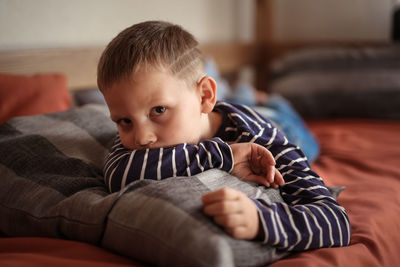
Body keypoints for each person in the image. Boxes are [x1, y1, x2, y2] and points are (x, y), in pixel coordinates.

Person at [97, 20, 350, 251]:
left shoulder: (263, 140)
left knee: (301, 136)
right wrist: (224, 156)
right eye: (124, 121)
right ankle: (241, 94)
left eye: (159, 110)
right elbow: (119, 174)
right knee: (234, 100)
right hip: (218, 109)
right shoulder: (140, 132)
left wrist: (262, 221)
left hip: (278, 124)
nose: (141, 138)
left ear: (205, 96)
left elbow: (335, 221)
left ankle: (268, 99)